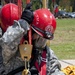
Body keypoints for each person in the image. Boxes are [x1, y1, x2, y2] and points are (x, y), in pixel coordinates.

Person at [0, 3, 65, 75]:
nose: (42, 42)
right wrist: (22, 24)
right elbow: (6, 43)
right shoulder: (15, 49)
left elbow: (54, 70)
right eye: (39, 37)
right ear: (31, 31)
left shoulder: (46, 54)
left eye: (44, 39)